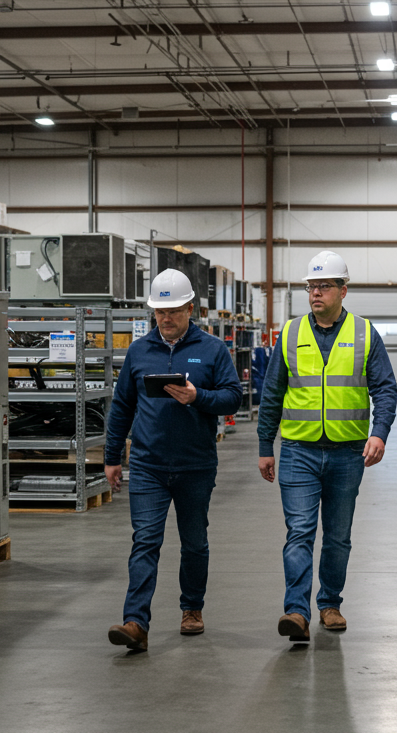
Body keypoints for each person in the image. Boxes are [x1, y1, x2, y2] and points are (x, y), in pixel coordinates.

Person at [258, 250, 397, 642]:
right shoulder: (290, 333)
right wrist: (264, 445)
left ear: (343, 290)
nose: (315, 293)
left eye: (323, 286)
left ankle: (330, 603)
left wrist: (380, 432)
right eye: (311, 286)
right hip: (298, 451)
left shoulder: (364, 334)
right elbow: (272, 394)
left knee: (337, 535)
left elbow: (385, 389)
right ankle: (296, 612)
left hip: (347, 452)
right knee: (299, 531)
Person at [105, 268, 244, 652]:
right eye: (159, 312)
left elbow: (233, 397)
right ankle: (135, 622)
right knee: (145, 541)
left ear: (190, 309)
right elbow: (121, 407)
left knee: (194, 542)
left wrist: (198, 397)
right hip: (148, 465)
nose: (165, 319)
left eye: (173, 311)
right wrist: (112, 456)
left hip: (196, 465)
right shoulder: (138, 352)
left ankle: (192, 609)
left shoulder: (213, 350)